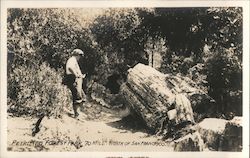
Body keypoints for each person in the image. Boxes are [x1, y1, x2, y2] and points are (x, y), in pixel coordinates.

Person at [64, 49, 86, 118]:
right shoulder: (72, 60)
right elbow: (70, 68)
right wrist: (76, 75)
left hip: (74, 78)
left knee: (81, 95)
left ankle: (78, 112)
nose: (80, 58)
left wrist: (80, 75)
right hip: (72, 78)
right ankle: (77, 114)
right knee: (77, 95)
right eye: (80, 56)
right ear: (77, 55)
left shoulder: (74, 60)